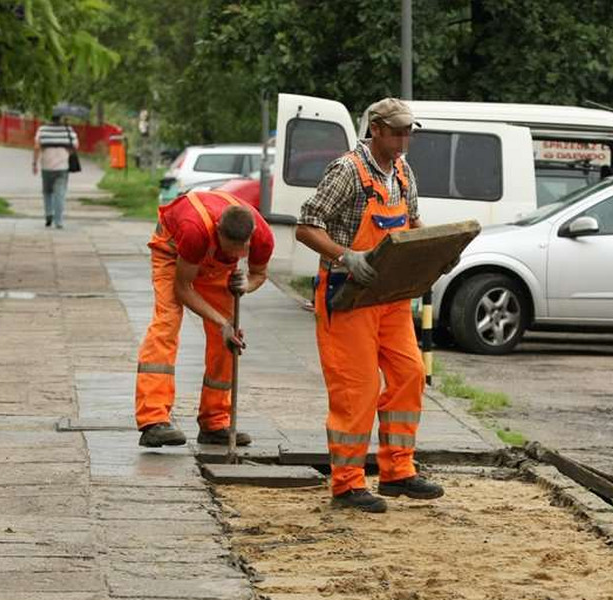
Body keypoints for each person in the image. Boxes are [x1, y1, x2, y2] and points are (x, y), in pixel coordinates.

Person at [296, 98, 444, 513]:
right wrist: (346, 256)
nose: (404, 140)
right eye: (397, 132)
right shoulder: (347, 171)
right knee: (357, 390)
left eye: (408, 132)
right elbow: (306, 226)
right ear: (375, 128)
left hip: (391, 296)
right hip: (349, 296)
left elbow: (412, 223)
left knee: (410, 374)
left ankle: (398, 471)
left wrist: (432, 251)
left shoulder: (401, 171)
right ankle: (347, 484)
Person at [134, 188, 273, 448]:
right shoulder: (195, 229)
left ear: (251, 238)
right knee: (166, 324)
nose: (233, 256)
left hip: (213, 267)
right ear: (218, 230)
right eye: (227, 249)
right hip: (173, 253)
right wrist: (222, 323)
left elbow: (258, 274)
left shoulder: (263, 237)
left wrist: (246, 285)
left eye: (238, 253)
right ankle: (153, 421)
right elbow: (183, 288)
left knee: (228, 340)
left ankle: (214, 422)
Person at [32, 112, 79, 229]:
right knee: (60, 194)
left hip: (46, 166)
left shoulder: (42, 129)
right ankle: (59, 221)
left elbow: (37, 147)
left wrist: (34, 163)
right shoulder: (68, 130)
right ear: (61, 118)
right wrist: (67, 152)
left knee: (47, 191)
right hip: (62, 167)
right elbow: (76, 145)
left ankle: (48, 214)